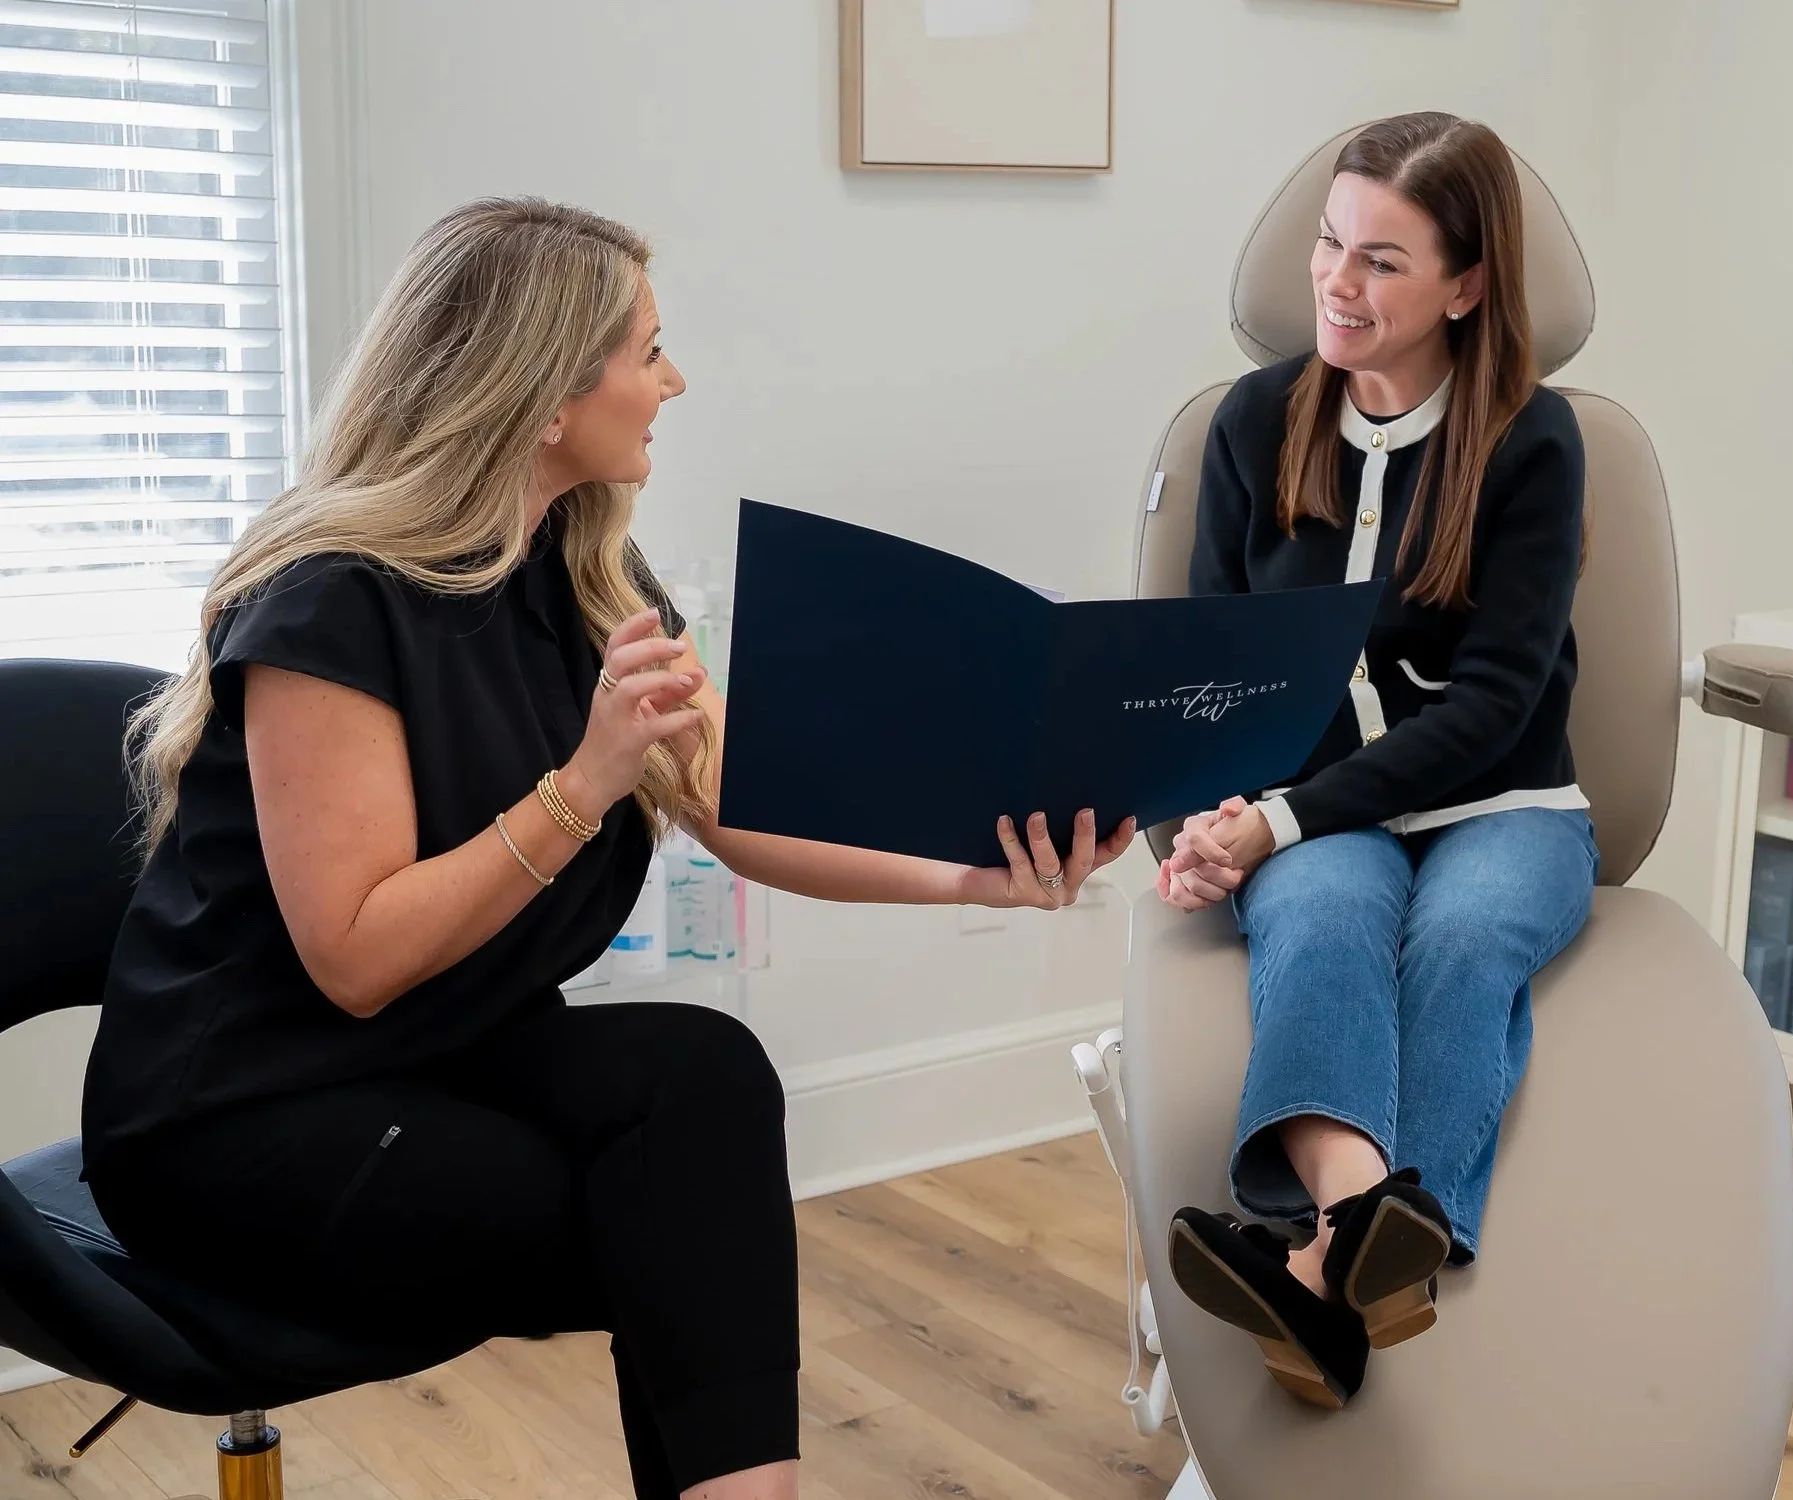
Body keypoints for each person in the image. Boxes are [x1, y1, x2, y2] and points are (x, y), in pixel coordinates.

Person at [79, 198, 1136, 1500]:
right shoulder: (327, 608)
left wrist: (980, 876)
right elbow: (354, 959)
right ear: (540, 398)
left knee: (705, 1080)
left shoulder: (586, 574)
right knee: (679, 1217)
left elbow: (741, 802)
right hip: (238, 1118)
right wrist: (580, 786)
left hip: (442, 1059)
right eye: (648, 351)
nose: (672, 381)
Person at [1157, 113, 1597, 1410]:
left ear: (1468, 285)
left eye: (1384, 262)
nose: (1339, 285)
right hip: (1311, 813)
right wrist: (1204, 821)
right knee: (1327, 915)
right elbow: (1203, 668)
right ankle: (1366, 1240)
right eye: (1329, 246)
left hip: (1506, 805)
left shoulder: (1532, 441)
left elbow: (1500, 708)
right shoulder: (1252, 422)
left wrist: (1280, 824)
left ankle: (1305, 1275)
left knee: (1461, 941)